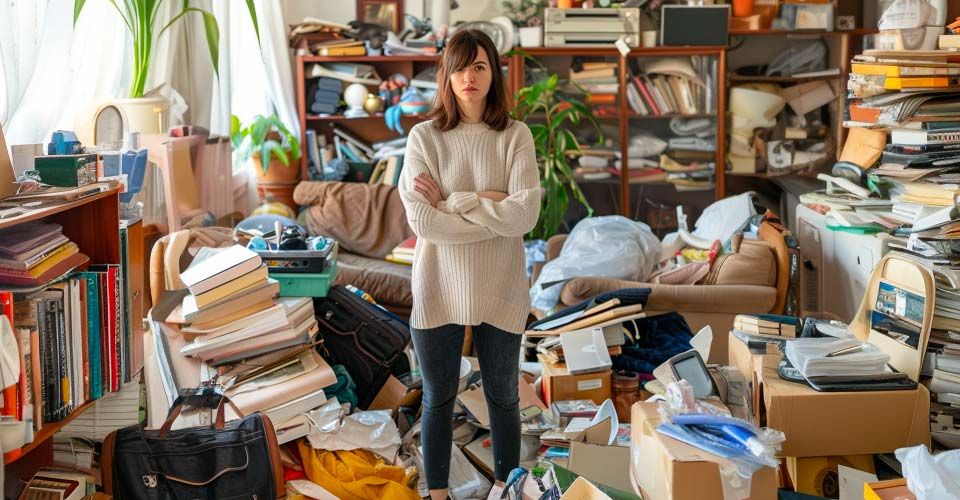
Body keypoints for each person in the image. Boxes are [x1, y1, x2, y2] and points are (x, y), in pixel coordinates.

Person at [397, 29, 541, 500]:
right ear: (446, 75)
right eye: (459, 67)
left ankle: (506, 489)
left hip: (500, 285)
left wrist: (455, 201)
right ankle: (437, 494)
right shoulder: (425, 138)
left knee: (504, 398)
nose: (468, 77)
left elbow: (526, 215)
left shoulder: (515, 136)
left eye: (479, 66)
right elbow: (425, 224)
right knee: (438, 398)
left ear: (493, 73)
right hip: (438, 284)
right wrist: (493, 207)